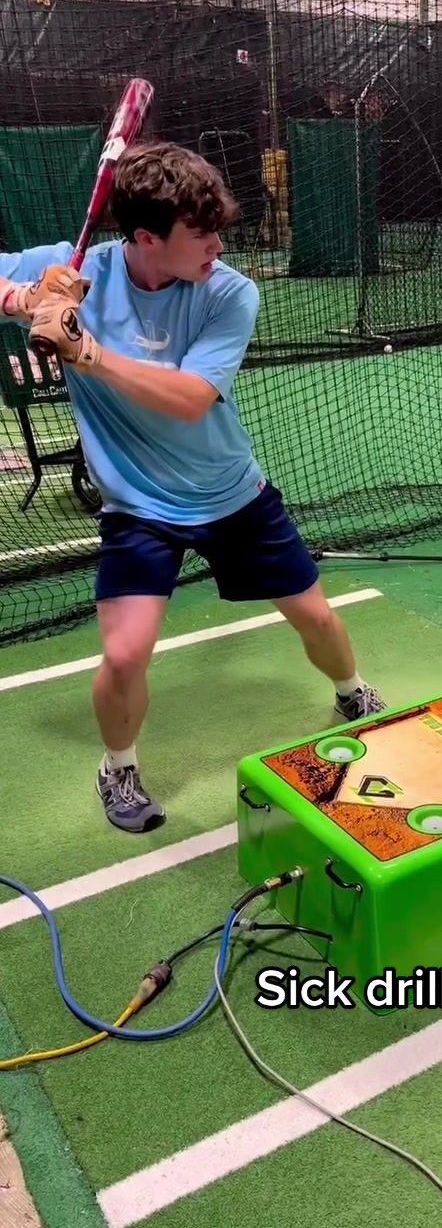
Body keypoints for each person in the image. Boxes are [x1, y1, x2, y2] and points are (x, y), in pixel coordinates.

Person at [0, 141, 385, 835]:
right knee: (125, 653)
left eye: (218, 228)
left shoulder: (229, 292)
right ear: (147, 237)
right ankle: (118, 767)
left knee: (317, 620)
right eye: (200, 232)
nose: (217, 245)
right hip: (138, 506)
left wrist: (88, 352)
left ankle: (351, 691)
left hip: (230, 493)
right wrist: (25, 297)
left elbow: (189, 398)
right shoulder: (77, 267)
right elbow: (13, 288)